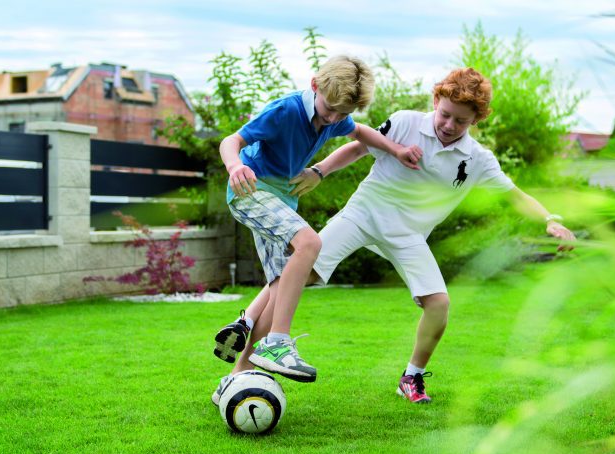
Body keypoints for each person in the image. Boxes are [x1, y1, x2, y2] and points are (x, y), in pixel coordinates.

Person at [212, 66, 576, 405]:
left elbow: (515, 195)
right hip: (363, 213)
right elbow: (357, 146)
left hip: (409, 235)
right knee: (297, 270)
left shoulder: (478, 159)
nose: (449, 124)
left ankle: (412, 377)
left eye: (461, 120)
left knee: (439, 305)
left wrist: (549, 218)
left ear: (477, 119)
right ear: (436, 101)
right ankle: (242, 360)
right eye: (445, 113)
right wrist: (319, 171)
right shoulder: (404, 122)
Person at [212, 55, 423, 397]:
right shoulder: (286, 110)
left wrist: (395, 150)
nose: (334, 119)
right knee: (309, 245)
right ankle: (277, 343)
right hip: (251, 191)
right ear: (315, 85)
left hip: (281, 198)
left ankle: (236, 375)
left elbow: (360, 133)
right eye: (330, 109)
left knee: (280, 286)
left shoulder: (335, 117)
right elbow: (230, 141)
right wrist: (235, 166)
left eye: (342, 113)